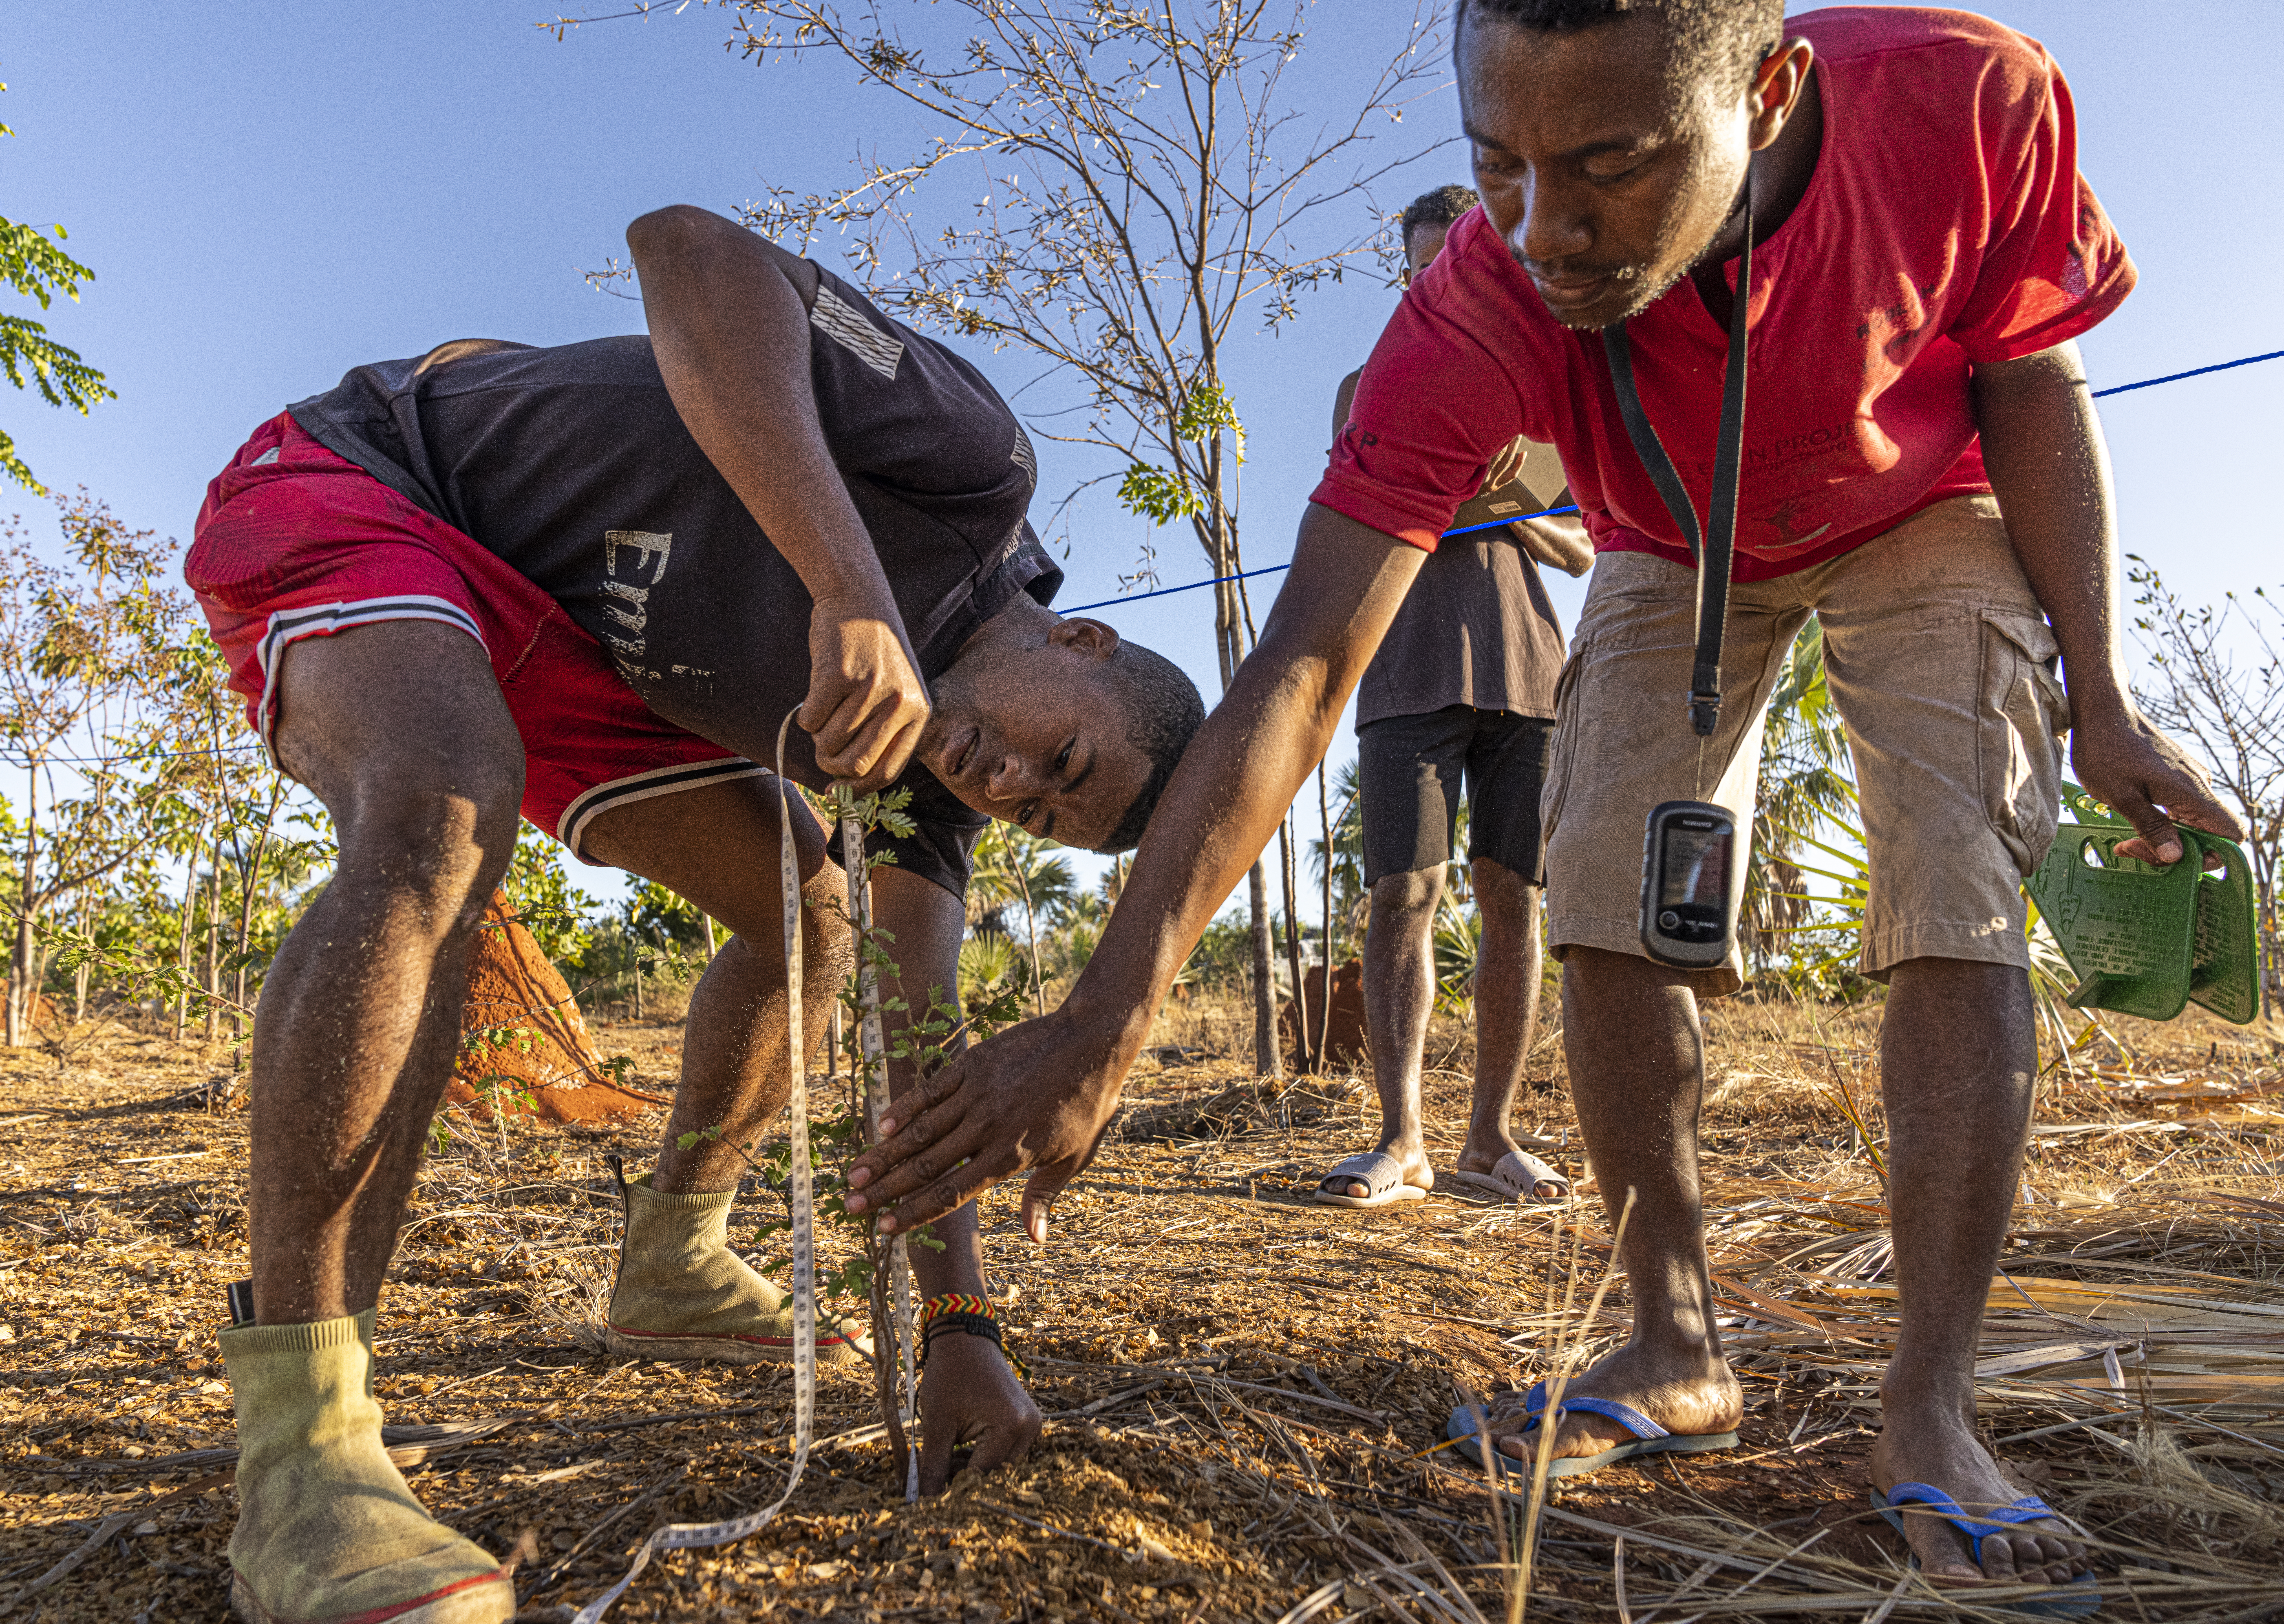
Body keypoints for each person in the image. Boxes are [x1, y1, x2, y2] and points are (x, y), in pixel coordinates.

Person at [845, 1, 2244, 1602]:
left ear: (1769, 90)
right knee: (1598, 901)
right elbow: (1304, 662)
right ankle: (1670, 1342)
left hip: (1919, 501)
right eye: (1496, 168)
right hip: (1667, 537)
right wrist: (1108, 1015)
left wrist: (2105, 696)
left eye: (1608, 167)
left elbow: (2031, 377)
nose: (1549, 232)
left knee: (1949, 898)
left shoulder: (1966, 94)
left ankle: (1927, 1410)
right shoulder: (1478, 305)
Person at [187, 204, 1204, 1624]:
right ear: (1082, 642)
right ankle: (303, 1448)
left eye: (1040, 811)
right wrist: (850, 586)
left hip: (565, 641)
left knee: (817, 914)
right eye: (1063, 758)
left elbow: (917, 1043)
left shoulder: (930, 795)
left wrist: (959, 1319)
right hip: (376, 485)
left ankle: (674, 1254)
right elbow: (689, 249)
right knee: (440, 806)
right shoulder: (973, 476)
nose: (1010, 782)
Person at [1317, 183, 1591, 1210]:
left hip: (1527, 672)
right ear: (1411, 273)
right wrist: (1452, 486)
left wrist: (1512, 498)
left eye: (1466, 258)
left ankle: (1490, 1139)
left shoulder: (1551, 396)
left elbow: (1580, 544)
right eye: (1428, 262)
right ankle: (1402, 1141)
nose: (1449, 277)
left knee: (1513, 900)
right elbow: (1359, 512)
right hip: (1405, 671)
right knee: (1403, 895)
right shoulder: (1365, 387)